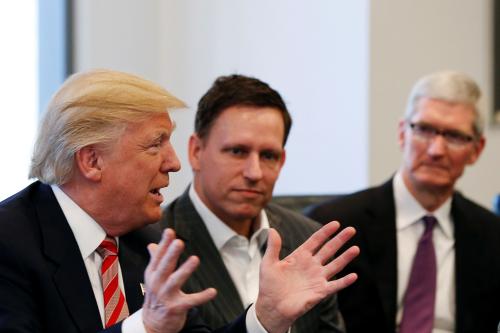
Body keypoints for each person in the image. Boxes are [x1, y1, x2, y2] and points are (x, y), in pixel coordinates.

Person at [0, 69, 359, 333]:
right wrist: (146, 326)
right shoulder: (10, 242)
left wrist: (266, 317)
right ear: (92, 160)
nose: (173, 163)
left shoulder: (149, 242)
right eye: (156, 144)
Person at [306, 70, 500, 333]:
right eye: (425, 129)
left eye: (454, 136)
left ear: (476, 150)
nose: (436, 150)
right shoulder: (334, 225)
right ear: (402, 133)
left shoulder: (491, 235)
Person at [161, 74, 345, 332]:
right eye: (237, 151)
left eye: (268, 155)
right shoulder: (155, 247)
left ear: (281, 162)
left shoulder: (309, 239)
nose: (254, 172)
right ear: (196, 152)